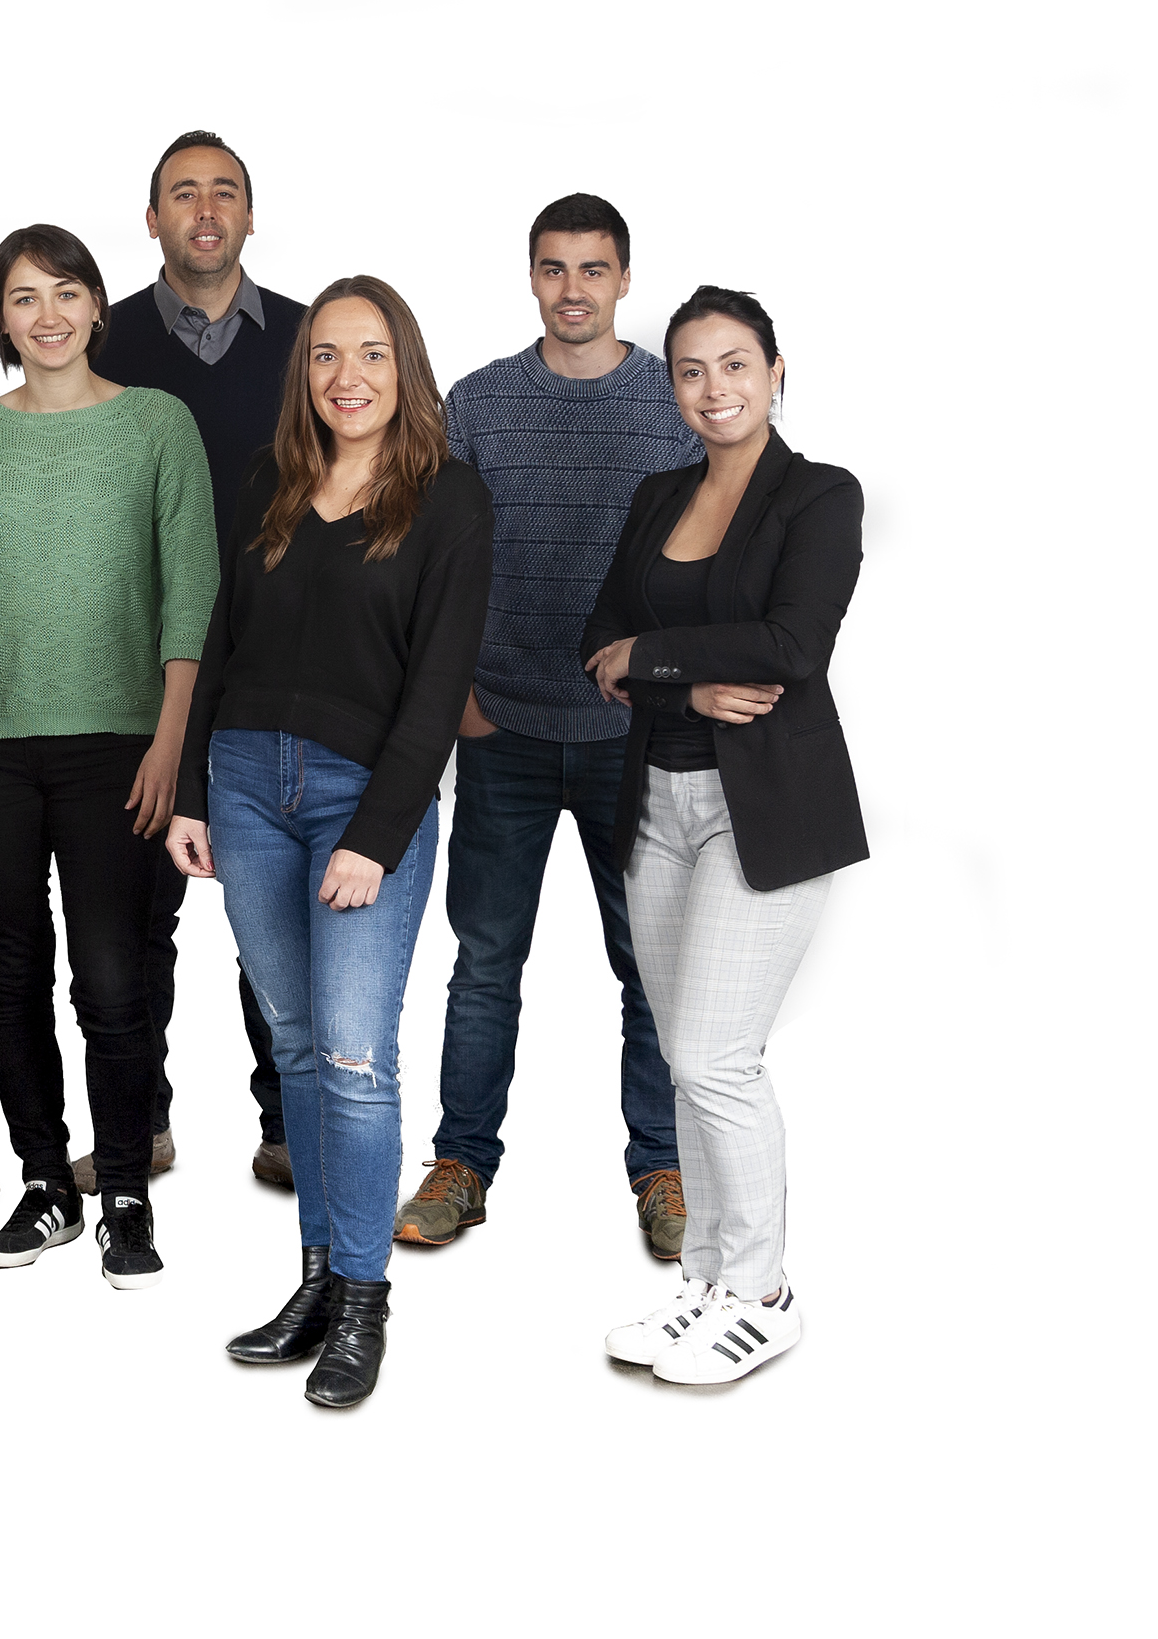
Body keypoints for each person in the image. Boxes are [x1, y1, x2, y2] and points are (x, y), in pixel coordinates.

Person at [169, 277, 492, 1407]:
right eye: (323, 355)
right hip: (247, 788)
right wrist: (193, 790)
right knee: (298, 1049)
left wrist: (378, 834)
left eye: (369, 353)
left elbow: (439, 683)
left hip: (364, 798)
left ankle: (362, 1299)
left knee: (354, 1059)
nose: (345, 376)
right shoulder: (270, 478)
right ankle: (314, 1278)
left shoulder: (449, 498)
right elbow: (218, 637)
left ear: (405, 367)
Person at [0, 224, 217, 1289]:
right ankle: (44, 1184)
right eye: (24, 297)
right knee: (10, 970)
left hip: (117, 742)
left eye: (66, 292)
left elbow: (191, 594)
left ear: (96, 307)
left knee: (114, 977)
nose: (47, 315)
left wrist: (171, 740)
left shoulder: (156, 424)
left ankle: (124, 1190)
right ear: (0, 317)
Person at [399, 193, 705, 1260]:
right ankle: (461, 1164)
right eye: (553, 269)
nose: (572, 290)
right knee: (485, 963)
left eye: (592, 269)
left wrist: (679, 682)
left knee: (650, 967)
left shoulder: (672, 400)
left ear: (624, 278)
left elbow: (726, 544)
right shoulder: (480, 403)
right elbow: (430, 558)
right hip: (505, 731)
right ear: (531, 277)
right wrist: (461, 703)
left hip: (634, 739)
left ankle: (662, 1168)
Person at [588, 286, 864, 1384]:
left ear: (775, 370)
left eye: (736, 364)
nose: (715, 389)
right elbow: (599, 641)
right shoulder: (658, 495)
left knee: (716, 1058)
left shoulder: (820, 496)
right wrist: (689, 684)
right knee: (682, 1059)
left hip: (764, 811)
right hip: (654, 807)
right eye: (692, 371)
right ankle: (703, 1282)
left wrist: (655, 661)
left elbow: (791, 646)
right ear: (672, 388)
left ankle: (761, 1292)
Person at [95, 130, 311, 1191]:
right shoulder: (104, 339)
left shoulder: (314, 340)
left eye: (225, 191)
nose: (206, 209)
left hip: (284, 666)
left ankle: (292, 1121)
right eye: (184, 193)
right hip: (141, 667)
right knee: (136, 916)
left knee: (276, 914)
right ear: (153, 221)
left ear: (250, 215)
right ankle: (140, 1126)